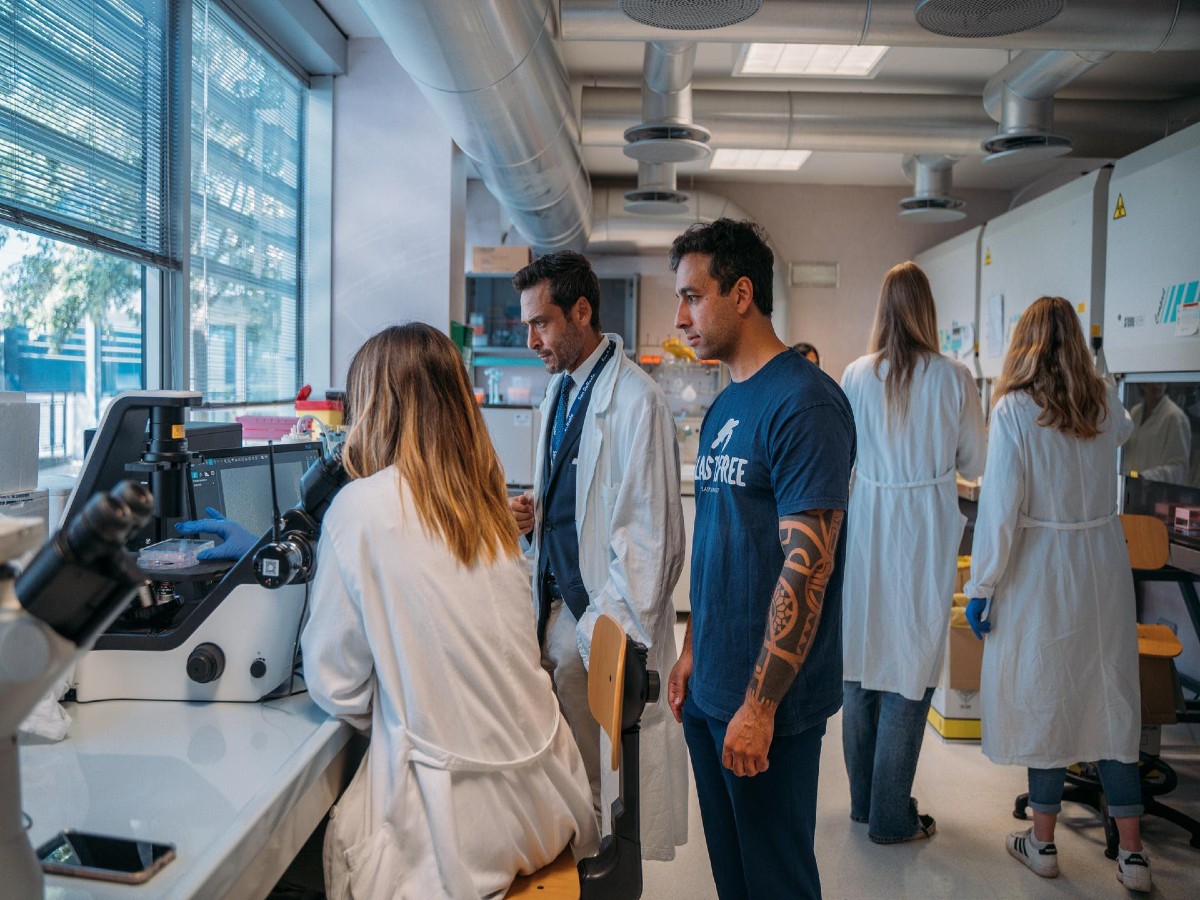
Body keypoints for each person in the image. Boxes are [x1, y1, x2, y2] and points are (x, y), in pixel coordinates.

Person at [300, 323, 599, 899]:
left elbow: (337, 689)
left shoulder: (359, 508)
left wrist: (403, 693)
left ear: (373, 408)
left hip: (459, 834)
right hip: (547, 799)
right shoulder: (485, 506)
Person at [666, 218, 855, 899]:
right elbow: (721, 542)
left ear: (741, 293)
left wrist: (760, 705)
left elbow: (808, 568)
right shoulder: (726, 405)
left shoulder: (805, 403)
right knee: (735, 883)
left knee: (777, 883)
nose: (680, 316)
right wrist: (692, 648)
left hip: (767, 702)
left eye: (692, 296)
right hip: (713, 685)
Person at [963, 297, 1150, 892]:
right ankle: (1134, 856)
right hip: (1102, 566)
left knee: (1044, 693)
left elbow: (999, 512)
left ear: (1025, 344)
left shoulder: (1016, 411)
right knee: (1111, 696)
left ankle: (1041, 843)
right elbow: (1127, 427)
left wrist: (981, 584)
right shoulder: (1103, 404)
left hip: (1041, 568)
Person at [508, 250, 689, 860]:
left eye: (542, 323)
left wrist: (595, 634)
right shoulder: (559, 391)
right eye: (527, 324)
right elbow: (580, 499)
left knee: (600, 789)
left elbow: (650, 542)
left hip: (595, 627)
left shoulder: (638, 402)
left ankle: (600, 877)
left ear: (581, 312)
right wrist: (537, 520)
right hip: (554, 613)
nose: (531, 338)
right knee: (568, 782)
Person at [839, 261, 987, 843]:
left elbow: (841, 456)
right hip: (922, 532)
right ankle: (890, 816)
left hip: (869, 525)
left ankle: (864, 804)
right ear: (927, 311)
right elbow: (976, 465)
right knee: (910, 673)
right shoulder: (955, 377)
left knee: (861, 668)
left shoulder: (854, 374)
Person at [1122, 382, 1191, 484]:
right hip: (1130, 487)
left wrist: (1146, 477)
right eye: (1151, 382)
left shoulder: (1175, 417)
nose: (1156, 385)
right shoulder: (1135, 412)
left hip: (1156, 490)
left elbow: (1179, 468)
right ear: (1142, 384)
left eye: (1161, 382)